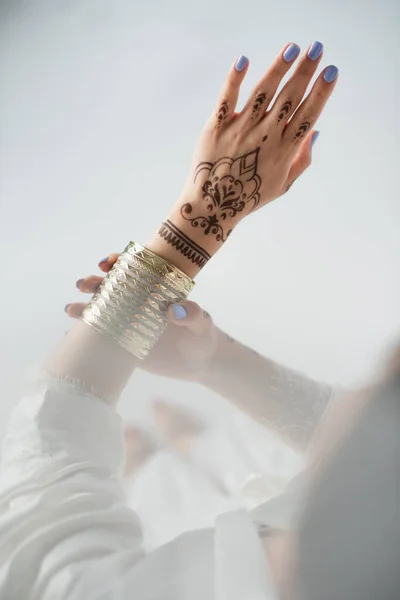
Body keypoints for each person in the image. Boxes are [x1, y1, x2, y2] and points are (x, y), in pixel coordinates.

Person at [0, 42, 339, 599]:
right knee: (234, 460)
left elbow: (41, 553)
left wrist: (200, 223)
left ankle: (162, 466)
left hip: (244, 549)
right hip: (302, 505)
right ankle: (188, 451)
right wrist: (217, 362)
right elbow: (370, 439)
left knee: (165, 495)